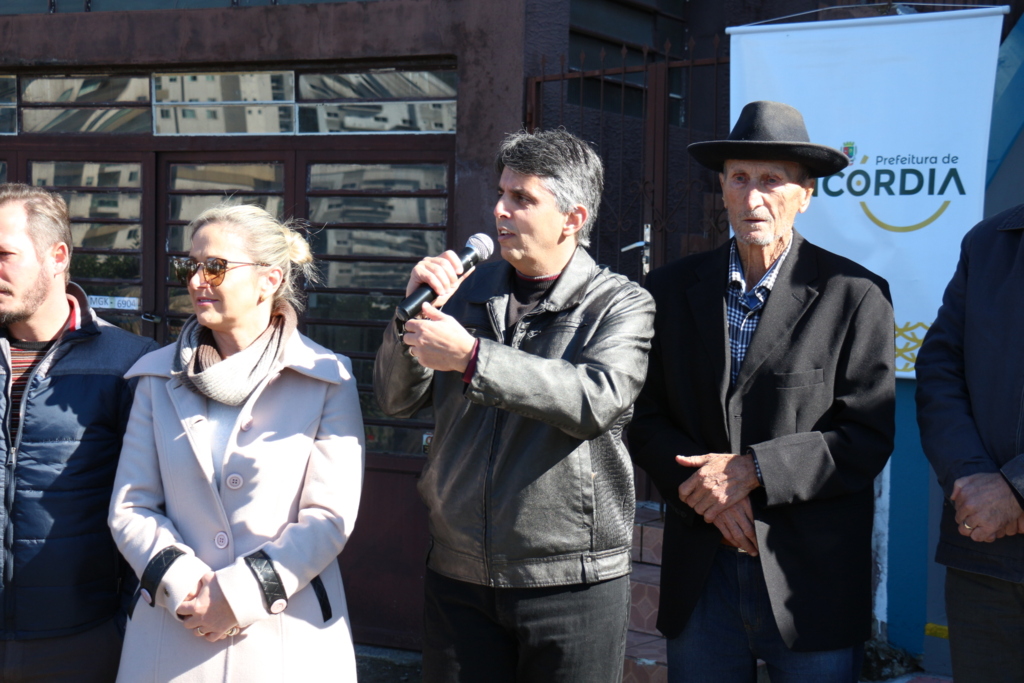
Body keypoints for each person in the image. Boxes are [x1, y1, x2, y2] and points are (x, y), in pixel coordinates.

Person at [628, 100, 896, 683]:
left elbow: (864, 437)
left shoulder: (855, 295)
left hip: (809, 584)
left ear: (805, 194)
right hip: (702, 577)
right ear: (721, 188)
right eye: (740, 179)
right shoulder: (670, 291)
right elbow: (642, 418)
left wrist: (751, 471)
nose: (753, 199)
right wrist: (710, 495)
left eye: (772, 181)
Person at [374, 129, 655, 683]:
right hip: (458, 572)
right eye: (501, 194)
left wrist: (474, 358)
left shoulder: (620, 302)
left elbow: (595, 398)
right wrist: (408, 316)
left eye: (521, 198)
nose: (500, 210)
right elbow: (393, 399)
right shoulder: (464, 290)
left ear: (572, 218)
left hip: (571, 579)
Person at [108, 204, 364, 682]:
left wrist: (240, 595)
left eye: (215, 267)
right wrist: (186, 587)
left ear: (269, 280)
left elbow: (329, 517)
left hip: (289, 634)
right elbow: (131, 506)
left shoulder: (326, 377)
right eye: (190, 266)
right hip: (173, 630)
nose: (197, 280)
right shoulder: (156, 376)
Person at [0, 183, 157, 681]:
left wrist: (127, 622)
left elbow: (156, 502)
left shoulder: (128, 364)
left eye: (4, 255)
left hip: (80, 640)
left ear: (57, 255)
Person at [915, 202, 1024, 683]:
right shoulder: (990, 242)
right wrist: (970, 476)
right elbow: (940, 370)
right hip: (985, 556)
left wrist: (1016, 487)